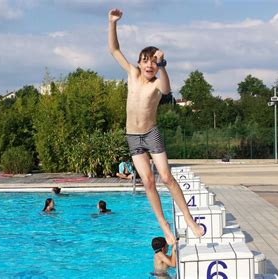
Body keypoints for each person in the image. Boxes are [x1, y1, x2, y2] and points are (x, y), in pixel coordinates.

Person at [108, 9, 203, 244]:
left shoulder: (158, 83)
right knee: (148, 182)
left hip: (151, 134)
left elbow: (168, 89)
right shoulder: (131, 73)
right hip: (133, 136)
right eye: (146, 60)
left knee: (166, 177)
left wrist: (162, 65)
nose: (149, 65)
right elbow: (114, 50)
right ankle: (164, 226)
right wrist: (112, 23)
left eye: (153, 62)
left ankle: (189, 220)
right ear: (139, 63)